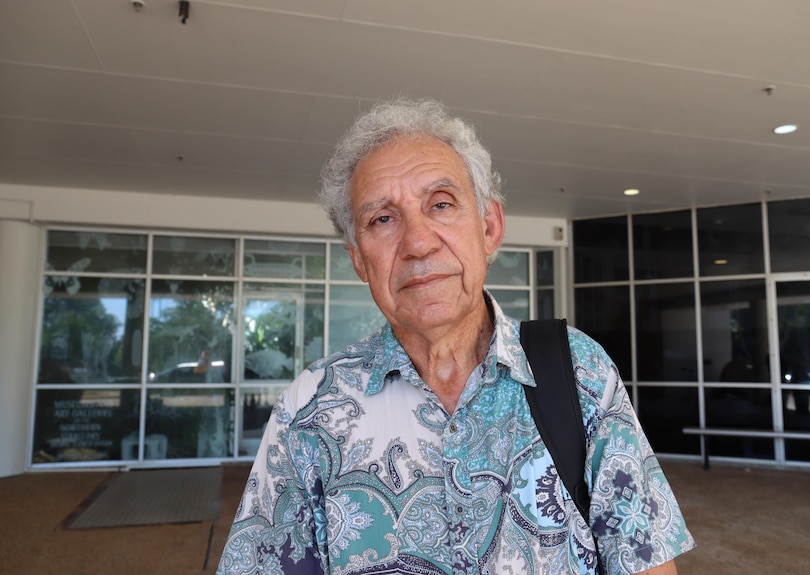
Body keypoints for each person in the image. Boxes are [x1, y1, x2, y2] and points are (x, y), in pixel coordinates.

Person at [216, 98, 695, 575]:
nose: (419, 242)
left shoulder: (578, 369)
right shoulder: (310, 408)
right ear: (360, 260)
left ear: (489, 227)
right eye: (383, 219)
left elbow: (644, 560)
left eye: (441, 205)